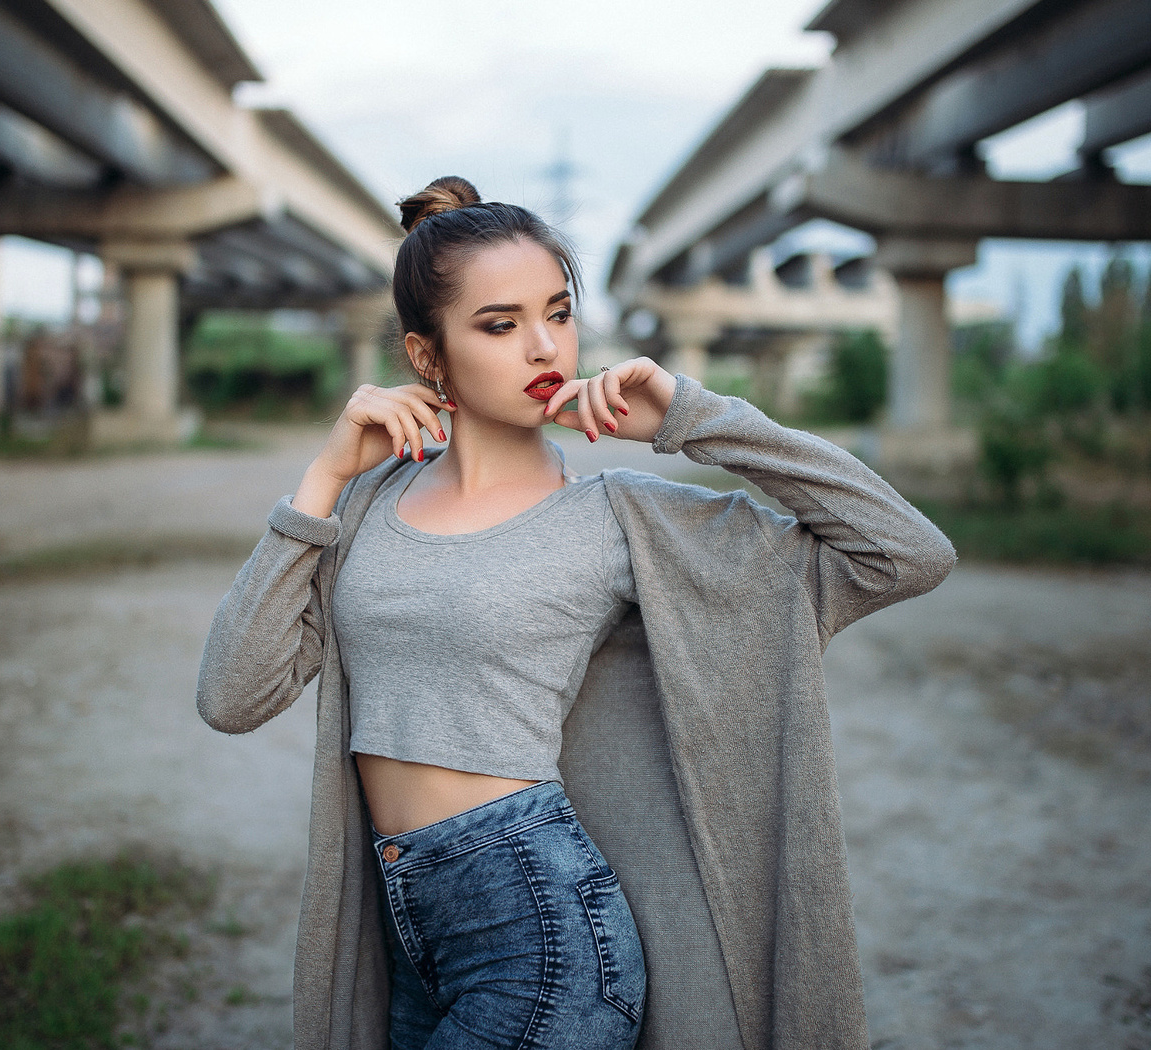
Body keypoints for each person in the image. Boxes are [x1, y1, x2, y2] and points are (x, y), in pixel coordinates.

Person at [197, 176, 957, 1050]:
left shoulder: (617, 518)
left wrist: (694, 420)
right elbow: (232, 696)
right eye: (499, 324)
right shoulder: (364, 506)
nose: (542, 347)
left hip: (545, 934)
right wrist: (323, 480)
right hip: (410, 930)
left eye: (557, 314)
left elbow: (905, 551)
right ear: (426, 355)